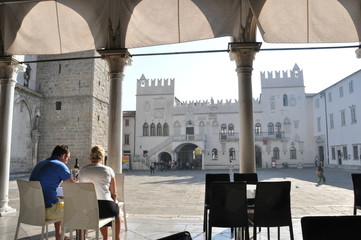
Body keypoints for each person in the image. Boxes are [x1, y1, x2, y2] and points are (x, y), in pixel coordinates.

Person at [29, 145, 73, 240]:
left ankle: (59, 235)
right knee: (76, 208)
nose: (67, 161)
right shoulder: (60, 165)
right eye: (68, 158)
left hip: (31, 210)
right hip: (46, 212)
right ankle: (82, 237)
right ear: (63, 156)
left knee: (58, 202)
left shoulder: (40, 163)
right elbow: (73, 187)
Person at [78, 145, 121, 240]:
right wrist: (115, 201)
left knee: (97, 208)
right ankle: (116, 238)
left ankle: (105, 237)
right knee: (117, 214)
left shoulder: (82, 170)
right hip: (105, 206)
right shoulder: (108, 170)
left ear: (90, 157)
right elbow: (114, 193)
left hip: (88, 209)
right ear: (102, 157)